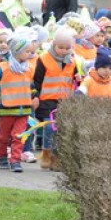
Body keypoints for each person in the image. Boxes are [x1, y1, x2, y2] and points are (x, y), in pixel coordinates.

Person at [0, 28, 39, 172]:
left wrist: (35, 96)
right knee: (3, 137)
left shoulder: (28, 69)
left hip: (24, 110)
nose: (30, 54)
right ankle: (2, 156)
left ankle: (15, 161)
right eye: (26, 51)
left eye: (30, 51)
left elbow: (31, 85)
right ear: (16, 51)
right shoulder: (3, 68)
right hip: (7, 109)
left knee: (18, 136)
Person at [31, 25, 78, 170]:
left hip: (64, 101)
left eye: (67, 47)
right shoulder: (44, 59)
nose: (64, 50)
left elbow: (75, 78)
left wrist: (78, 78)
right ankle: (46, 154)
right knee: (49, 128)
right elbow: (36, 80)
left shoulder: (72, 61)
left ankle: (57, 157)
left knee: (60, 129)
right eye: (60, 47)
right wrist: (35, 96)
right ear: (54, 44)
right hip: (46, 100)